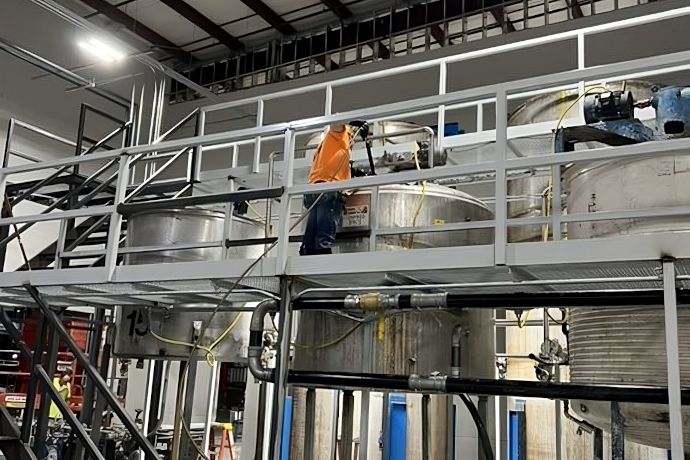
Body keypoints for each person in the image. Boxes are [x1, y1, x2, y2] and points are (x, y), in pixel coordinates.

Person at [300, 123, 352, 256]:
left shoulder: (323, 147)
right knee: (326, 220)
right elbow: (336, 124)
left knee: (313, 223)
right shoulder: (340, 136)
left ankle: (307, 249)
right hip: (328, 186)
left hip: (314, 187)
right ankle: (323, 249)